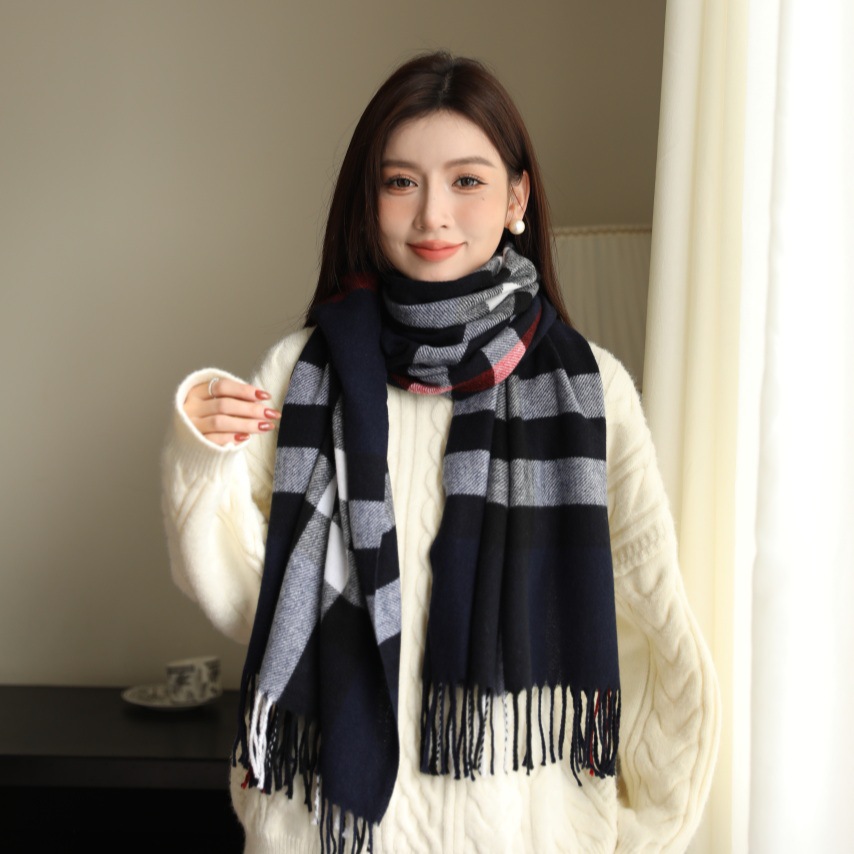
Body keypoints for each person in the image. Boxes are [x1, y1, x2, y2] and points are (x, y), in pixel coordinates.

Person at [162, 52, 720, 854]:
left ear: (516, 197)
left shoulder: (590, 387)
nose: (432, 215)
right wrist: (199, 455)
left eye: (466, 180)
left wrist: (641, 834)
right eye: (401, 182)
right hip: (324, 834)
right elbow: (241, 597)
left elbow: (655, 629)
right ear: (369, 198)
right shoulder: (300, 373)